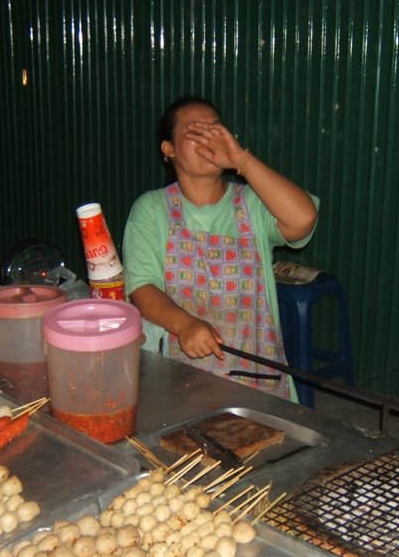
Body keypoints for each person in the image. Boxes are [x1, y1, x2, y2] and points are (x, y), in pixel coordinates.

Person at [123, 96, 319, 401]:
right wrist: (184, 323)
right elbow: (141, 286)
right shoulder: (151, 209)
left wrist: (242, 160)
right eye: (194, 132)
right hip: (182, 381)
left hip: (257, 380)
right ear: (168, 149)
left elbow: (303, 219)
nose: (207, 140)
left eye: (214, 130)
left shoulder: (252, 203)